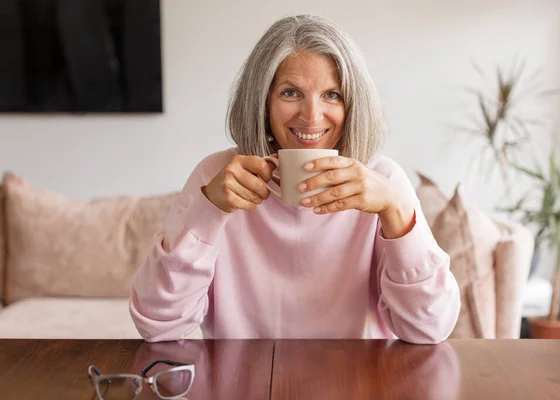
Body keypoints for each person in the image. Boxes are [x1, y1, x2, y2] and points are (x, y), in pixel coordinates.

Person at [129, 14, 460, 343]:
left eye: (332, 94)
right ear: (263, 102)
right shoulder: (216, 177)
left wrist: (395, 211)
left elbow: (429, 329)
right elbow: (159, 325)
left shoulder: (382, 180)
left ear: (352, 104)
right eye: (290, 93)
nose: (311, 116)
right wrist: (208, 211)